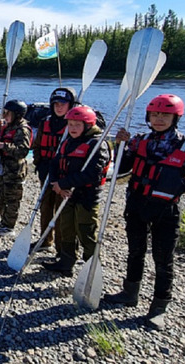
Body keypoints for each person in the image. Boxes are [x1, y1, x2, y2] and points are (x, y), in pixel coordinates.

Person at [103, 94, 185, 331]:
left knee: (163, 260)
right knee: (135, 252)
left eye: (165, 115)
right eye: (155, 114)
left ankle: (159, 308)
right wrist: (119, 146)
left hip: (165, 210)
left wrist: (176, 184)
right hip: (136, 205)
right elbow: (120, 169)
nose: (159, 119)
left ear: (175, 117)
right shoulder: (139, 141)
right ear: (148, 117)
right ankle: (129, 293)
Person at [43, 106, 110, 276]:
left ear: (88, 126)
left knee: (86, 231)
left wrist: (64, 183)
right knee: (66, 228)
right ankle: (66, 262)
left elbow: (93, 174)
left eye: (77, 125)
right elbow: (54, 164)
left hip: (86, 197)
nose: (72, 128)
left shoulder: (97, 145)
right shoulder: (67, 142)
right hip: (66, 194)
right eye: (70, 124)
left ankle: (92, 267)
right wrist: (56, 184)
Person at [32, 87, 77, 253]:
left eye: (63, 104)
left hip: (64, 175)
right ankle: (45, 240)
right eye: (56, 104)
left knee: (61, 210)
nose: (59, 107)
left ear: (70, 105)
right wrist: (39, 164)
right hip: (46, 171)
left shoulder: (74, 124)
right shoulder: (46, 122)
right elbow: (37, 145)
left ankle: (61, 246)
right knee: (45, 207)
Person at [0, 100, 33, 237]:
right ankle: (4, 220)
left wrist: (4, 146)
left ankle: (9, 226)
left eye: (8, 113)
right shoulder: (7, 126)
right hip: (3, 168)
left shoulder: (22, 130)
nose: (4, 115)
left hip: (15, 170)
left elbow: (23, 151)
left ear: (17, 115)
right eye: (4, 112)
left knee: (12, 199)